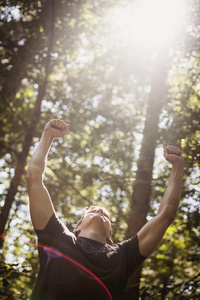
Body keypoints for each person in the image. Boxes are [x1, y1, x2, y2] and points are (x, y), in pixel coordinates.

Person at [26, 119, 184, 300]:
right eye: (92, 212)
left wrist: (178, 166)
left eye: (106, 216)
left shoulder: (123, 256)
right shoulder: (57, 237)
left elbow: (166, 215)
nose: (100, 211)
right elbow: (34, 177)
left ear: (111, 236)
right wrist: (48, 135)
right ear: (77, 228)